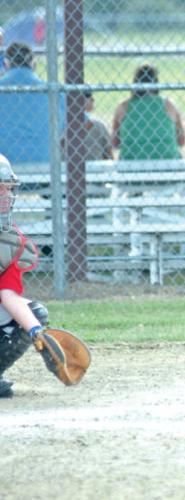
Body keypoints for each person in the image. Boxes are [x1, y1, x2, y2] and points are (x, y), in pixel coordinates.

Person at [0, 154, 51, 398]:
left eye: (9, 189)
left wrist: (35, 331)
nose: (7, 196)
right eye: (0, 189)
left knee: (36, 314)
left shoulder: (8, 240)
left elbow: (7, 294)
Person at [0, 41, 66, 165]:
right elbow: (75, 123)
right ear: (32, 62)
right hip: (45, 167)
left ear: (6, 63)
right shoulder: (54, 91)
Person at [112, 64, 185, 160]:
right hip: (167, 161)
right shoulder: (168, 105)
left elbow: (115, 143)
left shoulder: (123, 107)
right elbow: (181, 141)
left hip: (131, 163)